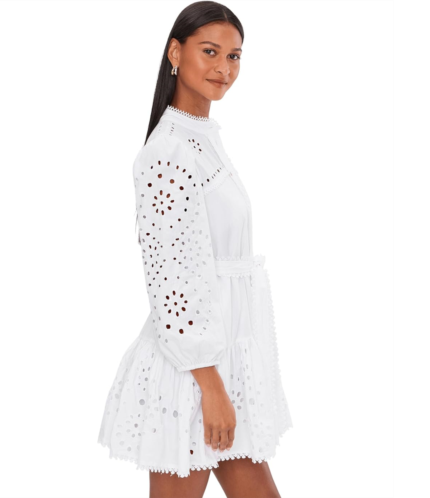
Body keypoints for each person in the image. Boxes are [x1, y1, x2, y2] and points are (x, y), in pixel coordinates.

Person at [98, 2, 292, 497]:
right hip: (194, 373)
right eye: (210, 52)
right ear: (175, 53)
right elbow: (172, 281)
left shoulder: (202, 138)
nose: (224, 68)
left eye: (234, 56)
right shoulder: (167, 153)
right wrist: (211, 387)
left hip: (223, 364)